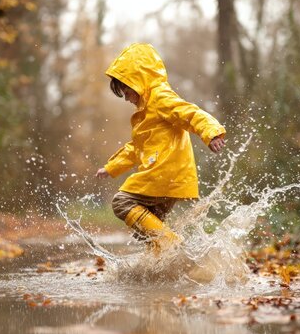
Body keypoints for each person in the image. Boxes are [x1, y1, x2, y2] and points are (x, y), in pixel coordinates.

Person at [96, 43, 226, 253]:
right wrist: (111, 167)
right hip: (170, 178)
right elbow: (137, 148)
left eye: (126, 90)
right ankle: (170, 268)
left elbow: (189, 113)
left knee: (122, 203)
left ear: (138, 81)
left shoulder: (159, 97)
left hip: (163, 174)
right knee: (148, 231)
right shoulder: (147, 110)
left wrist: (211, 133)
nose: (126, 98)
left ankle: (174, 244)